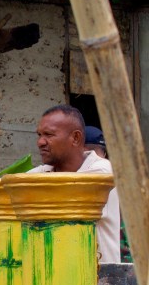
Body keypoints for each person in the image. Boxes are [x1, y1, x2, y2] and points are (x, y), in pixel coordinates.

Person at [28, 105, 120, 263]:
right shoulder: (42, 173)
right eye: (39, 135)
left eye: (49, 135)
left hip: (98, 281)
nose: (40, 142)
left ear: (76, 138)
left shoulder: (102, 171)